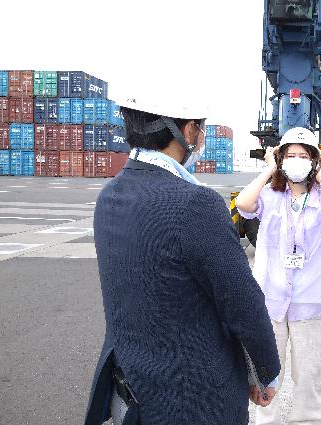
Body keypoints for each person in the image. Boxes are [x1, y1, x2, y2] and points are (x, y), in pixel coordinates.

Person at [84, 98, 280, 425]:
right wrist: (266, 373)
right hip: (194, 401)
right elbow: (243, 303)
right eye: (201, 129)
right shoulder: (195, 204)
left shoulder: (110, 196)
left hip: (132, 393)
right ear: (188, 131)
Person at [235, 127, 321, 425]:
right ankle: (265, 421)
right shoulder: (270, 195)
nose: (296, 160)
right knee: (266, 371)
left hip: (310, 301)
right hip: (272, 300)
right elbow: (243, 204)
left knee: (308, 374)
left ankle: (309, 420)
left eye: (303, 156)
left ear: (314, 161)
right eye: (289, 155)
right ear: (280, 159)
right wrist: (269, 170)